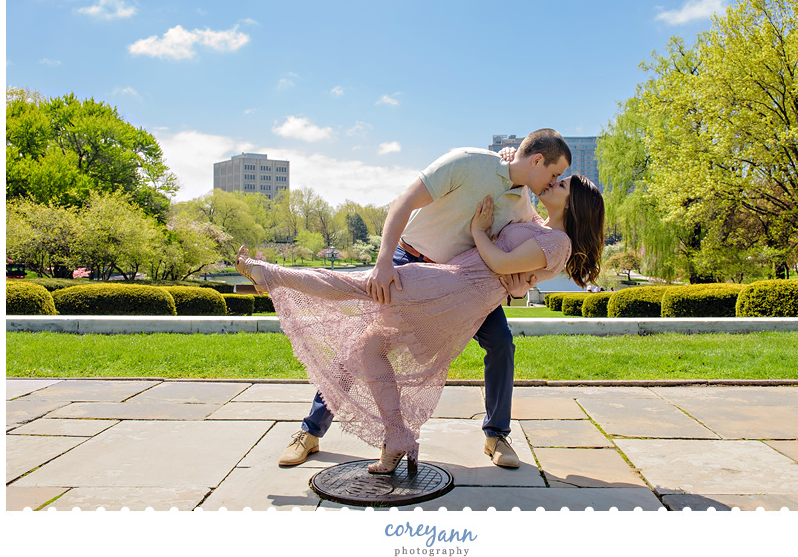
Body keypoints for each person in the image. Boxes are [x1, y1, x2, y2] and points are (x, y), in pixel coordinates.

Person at [236, 171, 605, 473]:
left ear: (573, 204)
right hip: (456, 284)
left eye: (563, 184)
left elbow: (502, 264)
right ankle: (393, 438)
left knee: (358, 287)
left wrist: (480, 233)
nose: (554, 182)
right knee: (368, 345)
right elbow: (520, 269)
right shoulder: (536, 218)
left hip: (455, 289)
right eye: (555, 176)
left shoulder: (559, 243)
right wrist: (521, 280)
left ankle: (267, 275)